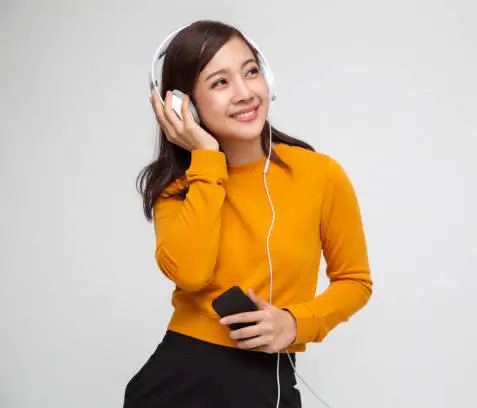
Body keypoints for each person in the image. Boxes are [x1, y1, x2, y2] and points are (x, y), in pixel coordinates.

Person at [123, 19, 373, 408]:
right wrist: (206, 160)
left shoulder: (319, 174)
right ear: (184, 105)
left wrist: (295, 323)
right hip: (175, 382)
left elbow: (355, 281)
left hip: (264, 383)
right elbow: (191, 273)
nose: (244, 93)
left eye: (251, 72)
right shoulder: (178, 189)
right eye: (219, 83)